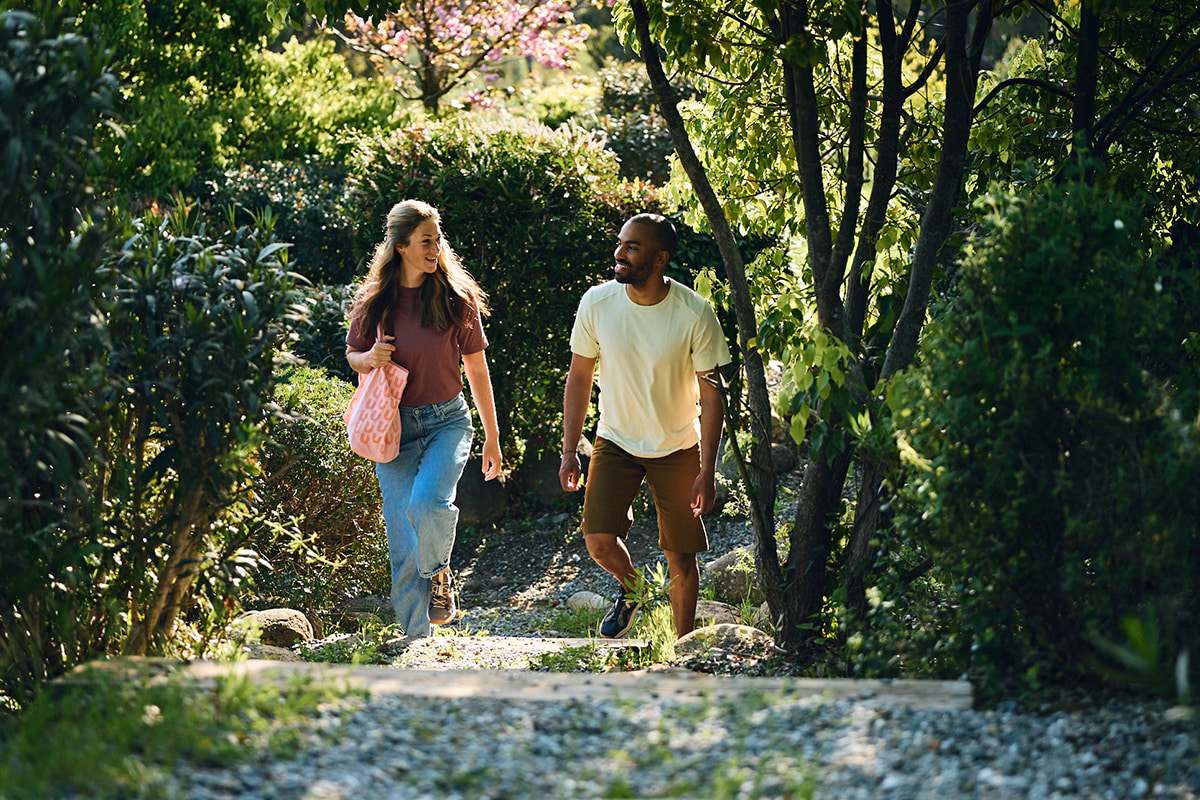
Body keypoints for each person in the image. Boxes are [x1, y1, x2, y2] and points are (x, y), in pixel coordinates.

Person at [559, 213, 732, 640]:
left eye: (631, 247)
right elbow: (579, 376)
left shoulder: (695, 313)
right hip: (615, 438)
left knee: (681, 559)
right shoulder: (597, 303)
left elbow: (713, 395)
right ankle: (633, 589)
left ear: (660, 259)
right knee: (598, 539)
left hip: (676, 445)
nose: (618, 253)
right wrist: (569, 450)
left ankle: (683, 650)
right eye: (620, 243)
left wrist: (707, 469)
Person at [346, 199, 502, 638]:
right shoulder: (374, 299)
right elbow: (352, 356)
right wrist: (369, 357)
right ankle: (417, 639)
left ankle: (440, 576)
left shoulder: (456, 296)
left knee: (427, 505)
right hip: (392, 429)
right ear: (400, 246)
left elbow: (476, 369)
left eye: (438, 239)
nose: (436, 248)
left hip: (446, 422)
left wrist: (492, 437)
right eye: (426, 241)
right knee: (401, 537)